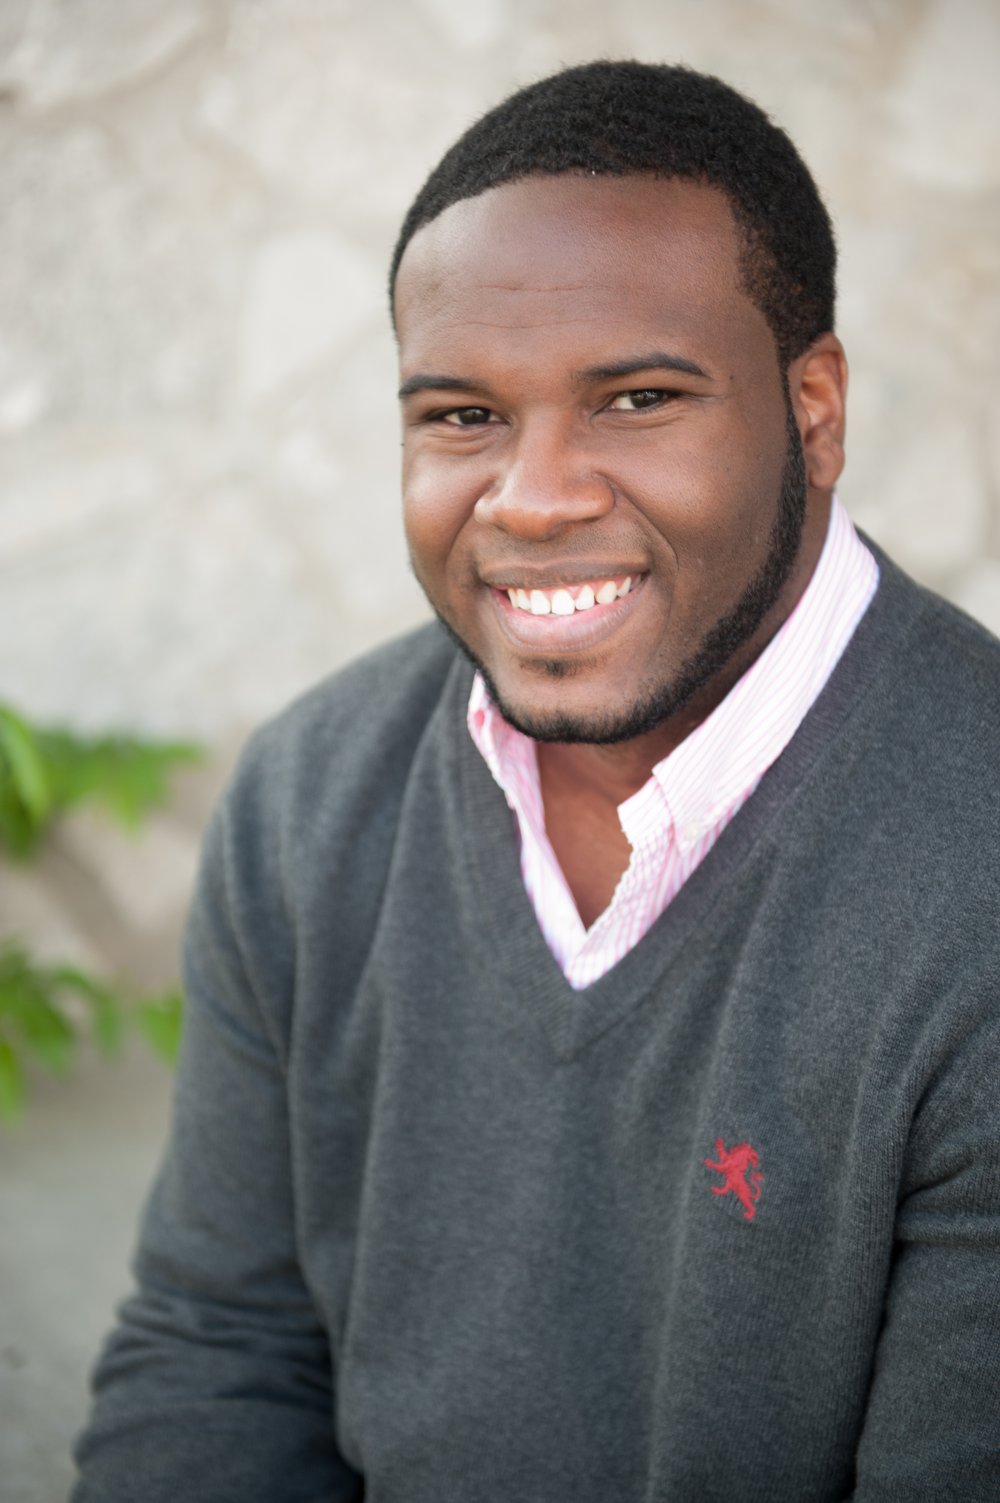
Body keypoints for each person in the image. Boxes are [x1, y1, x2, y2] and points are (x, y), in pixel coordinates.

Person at [72, 61, 1000, 1502]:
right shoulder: (312, 798)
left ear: (814, 409)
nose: (534, 495)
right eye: (461, 417)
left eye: (636, 398)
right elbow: (218, 1350)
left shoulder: (977, 869)